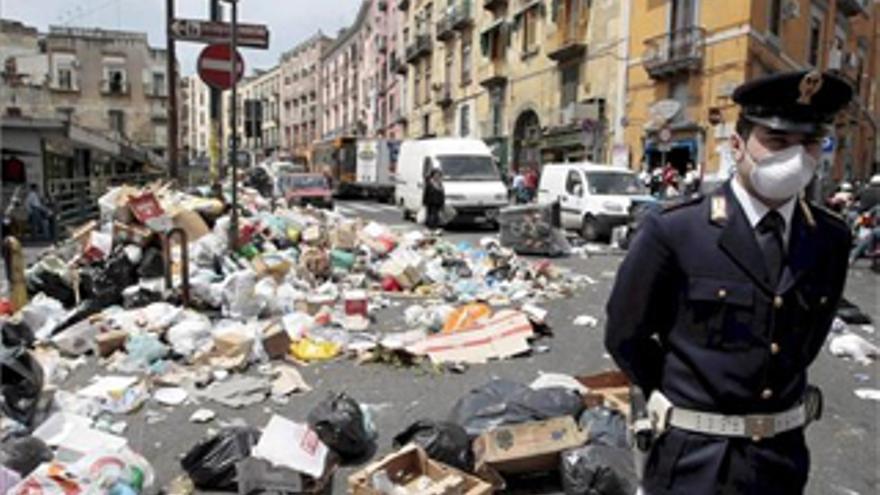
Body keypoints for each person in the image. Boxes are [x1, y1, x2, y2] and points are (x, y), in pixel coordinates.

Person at [605, 70, 853, 495]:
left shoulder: (830, 237)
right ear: (737, 146)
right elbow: (626, 334)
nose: (795, 158)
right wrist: (674, 396)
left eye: (809, 143)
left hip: (781, 457)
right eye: (776, 142)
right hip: (696, 460)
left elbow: (809, 339)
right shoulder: (678, 230)